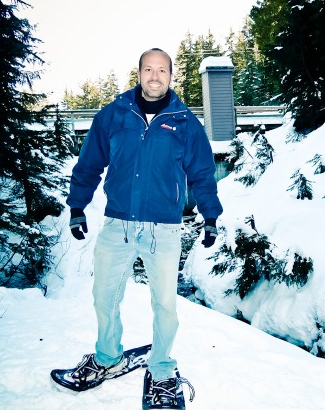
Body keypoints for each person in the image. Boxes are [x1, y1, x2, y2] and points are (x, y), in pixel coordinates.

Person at [63, 48, 223, 408]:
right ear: (139, 74)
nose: (155, 76)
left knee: (165, 303)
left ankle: (163, 371)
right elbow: (89, 163)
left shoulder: (185, 122)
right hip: (116, 225)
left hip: (163, 230)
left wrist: (210, 216)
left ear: (171, 76)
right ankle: (107, 357)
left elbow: (202, 174)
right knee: (104, 297)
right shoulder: (114, 115)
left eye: (162, 70)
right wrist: (77, 206)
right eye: (148, 69)